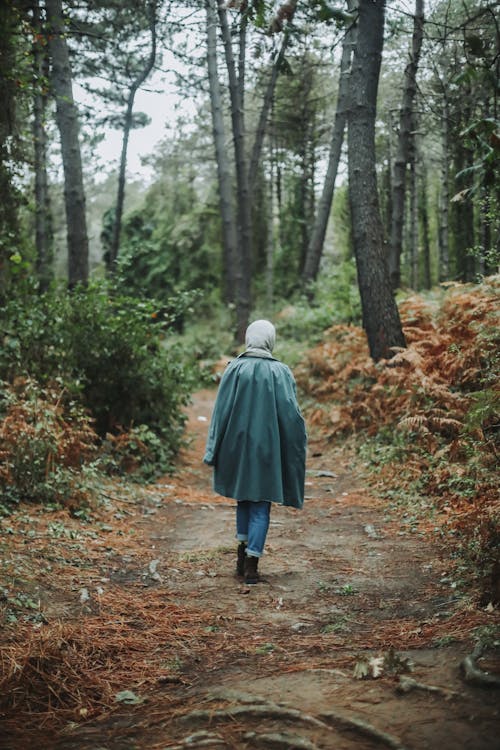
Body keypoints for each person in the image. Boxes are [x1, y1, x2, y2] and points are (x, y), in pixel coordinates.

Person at [203, 319, 307, 584]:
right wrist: (295, 445)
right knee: (261, 505)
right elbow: (291, 416)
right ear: (270, 339)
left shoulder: (234, 369)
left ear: (250, 337)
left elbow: (220, 413)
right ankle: (252, 564)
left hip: (236, 448)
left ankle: (242, 555)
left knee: (244, 500)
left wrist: (213, 449)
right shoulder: (281, 372)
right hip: (267, 451)